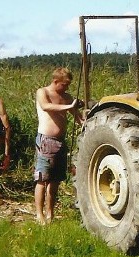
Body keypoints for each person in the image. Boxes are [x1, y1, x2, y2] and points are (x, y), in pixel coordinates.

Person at [33, 67, 83, 225]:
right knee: (42, 179)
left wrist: (85, 120)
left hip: (60, 142)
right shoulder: (43, 92)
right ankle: (39, 215)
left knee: (55, 181)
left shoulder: (67, 97)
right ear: (56, 81)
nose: (67, 88)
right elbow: (46, 106)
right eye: (65, 84)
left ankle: (50, 214)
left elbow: (78, 118)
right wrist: (69, 107)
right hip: (46, 141)